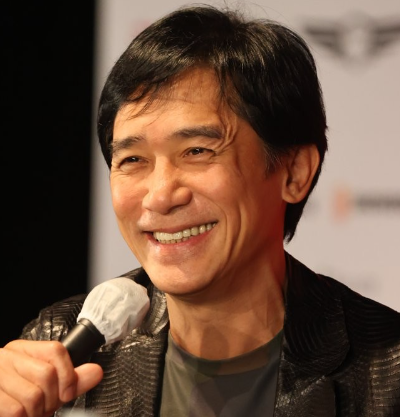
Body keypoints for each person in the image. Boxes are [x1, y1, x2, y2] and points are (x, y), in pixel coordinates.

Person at [1, 4, 399, 417]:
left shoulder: (387, 375)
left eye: (196, 151)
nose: (160, 196)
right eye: (133, 160)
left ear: (294, 172)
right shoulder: (61, 347)